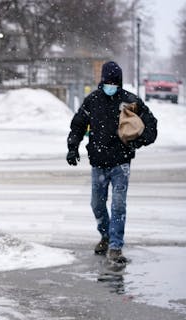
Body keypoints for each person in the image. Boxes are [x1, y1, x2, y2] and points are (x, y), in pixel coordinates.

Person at [66, 61, 157, 264]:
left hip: (121, 163)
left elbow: (151, 124)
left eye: (114, 82)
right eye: (107, 81)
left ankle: (116, 246)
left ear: (120, 82)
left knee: (118, 205)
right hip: (98, 162)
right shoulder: (93, 100)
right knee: (97, 204)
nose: (111, 85)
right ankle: (105, 235)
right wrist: (72, 147)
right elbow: (78, 124)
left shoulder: (129, 101)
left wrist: (139, 141)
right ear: (102, 81)